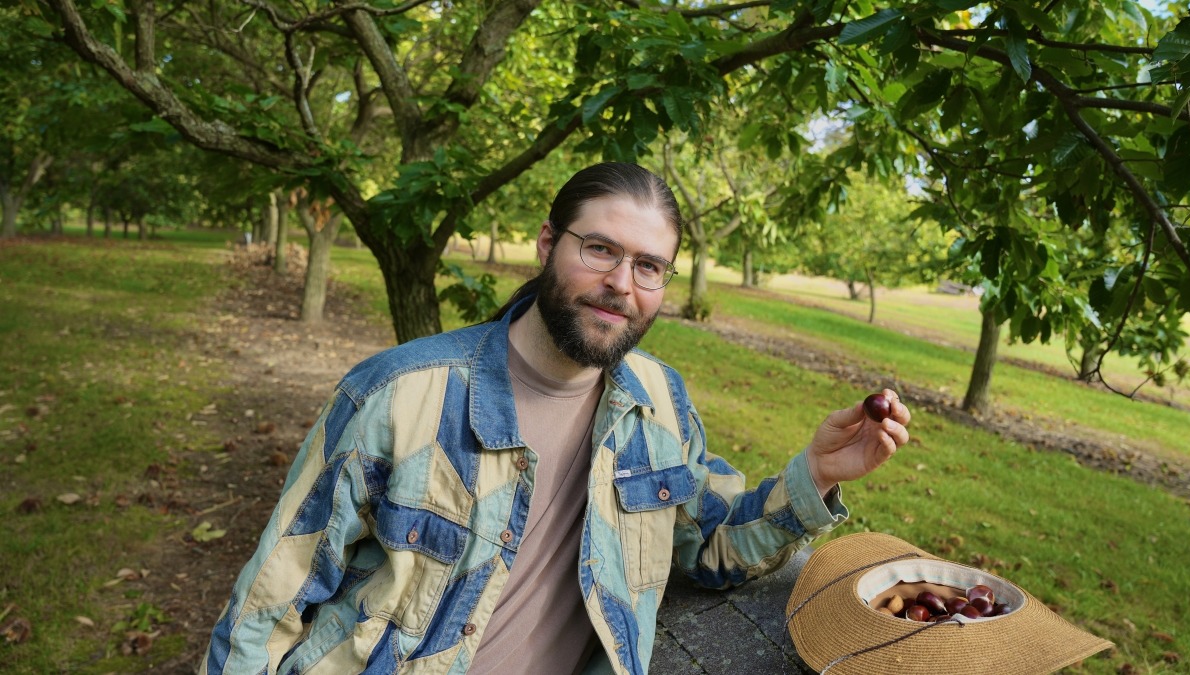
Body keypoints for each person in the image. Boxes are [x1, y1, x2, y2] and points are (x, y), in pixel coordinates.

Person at [201, 162, 910, 675]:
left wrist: (816, 472)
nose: (620, 286)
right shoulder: (397, 393)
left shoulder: (659, 401)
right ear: (548, 245)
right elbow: (267, 607)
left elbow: (707, 545)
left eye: (648, 266)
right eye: (599, 248)